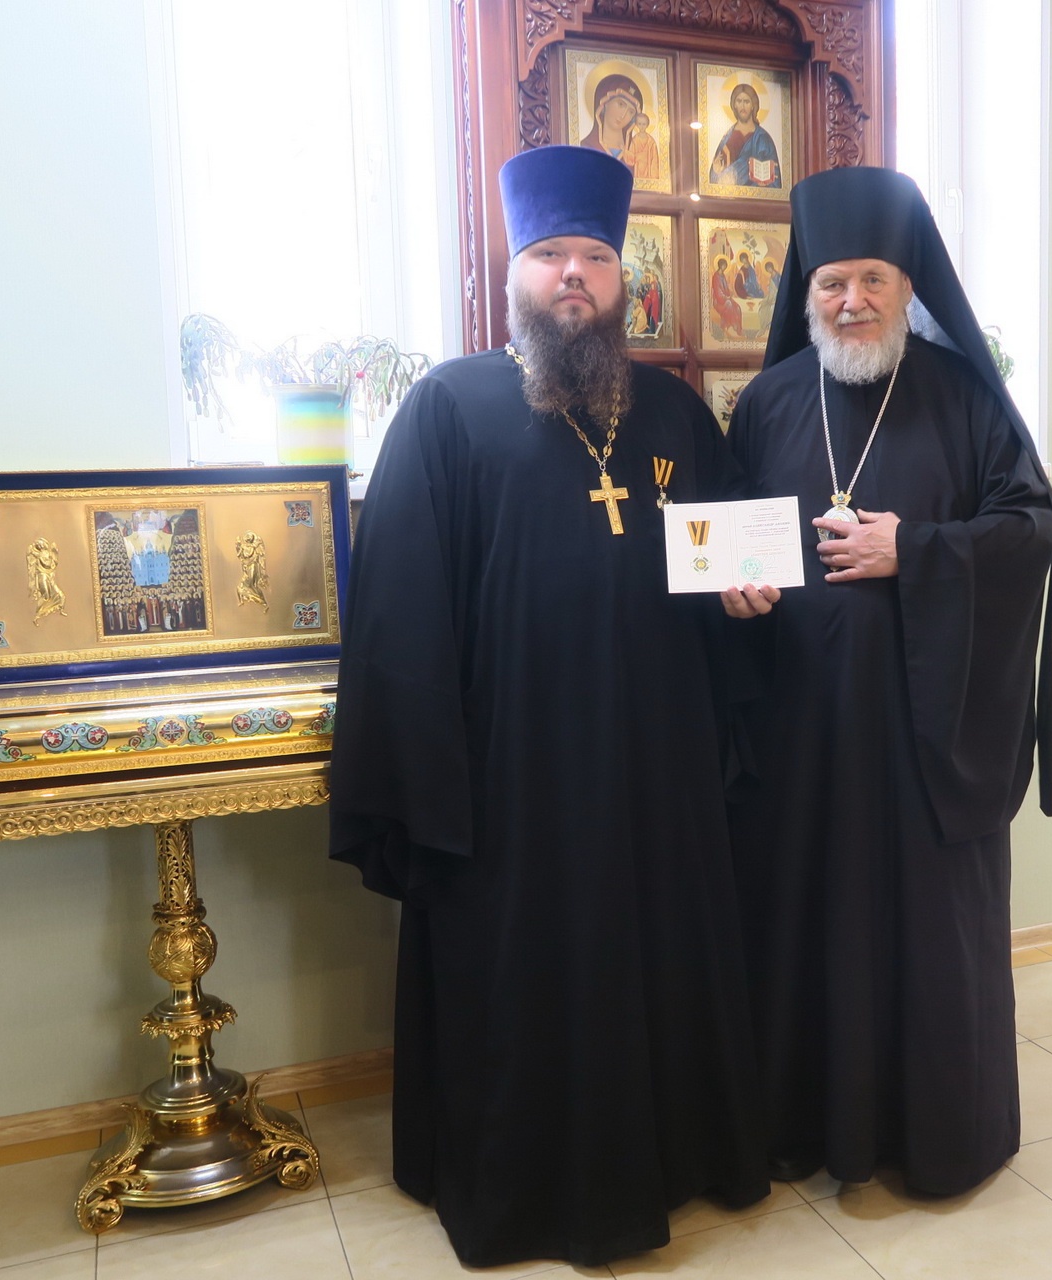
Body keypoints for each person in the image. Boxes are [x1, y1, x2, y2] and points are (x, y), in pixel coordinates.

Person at [327, 145, 767, 1267]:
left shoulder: (673, 412)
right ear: (512, 272)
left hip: (660, 768)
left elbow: (730, 562)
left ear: (624, 279)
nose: (574, 274)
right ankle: (528, 1189)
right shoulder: (448, 408)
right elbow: (399, 619)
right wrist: (433, 788)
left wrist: (746, 595)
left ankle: (672, 1160)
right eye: (550, 255)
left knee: (658, 966)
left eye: (596, 257)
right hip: (514, 777)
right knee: (532, 982)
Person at [718, 165, 1052, 1196]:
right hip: (800, 732)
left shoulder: (965, 397)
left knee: (926, 934)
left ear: (909, 286)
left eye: (873, 279)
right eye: (832, 282)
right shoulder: (769, 402)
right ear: (806, 293)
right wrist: (731, 593)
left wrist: (915, 550)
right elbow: (727, 543)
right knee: (802, 922)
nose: (852, 300)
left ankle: (938, 1137)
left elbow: (1030, 531)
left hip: (926, 733)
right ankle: (803, 1125)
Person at [579, 74, 662, 183]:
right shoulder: (585, 148)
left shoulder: (637, 152)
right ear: (605, 103)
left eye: (631, 112)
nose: (623, 115)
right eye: (621, 104)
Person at [708, 81, 781, 188]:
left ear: (753, 106)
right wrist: (715, 171)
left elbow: (775, 182)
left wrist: (764, 185)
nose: (742, 106)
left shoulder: (763, 138)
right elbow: (714, 181)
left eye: (746, 101)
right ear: (734, 105)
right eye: (739, 101)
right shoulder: (727, 137)